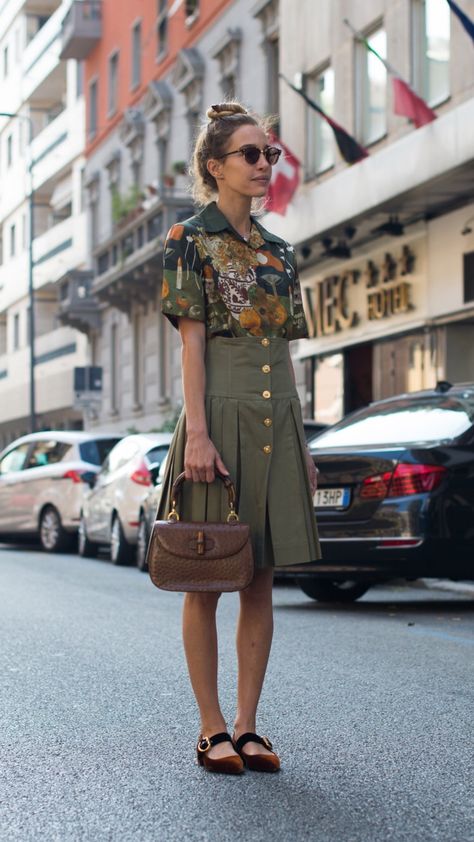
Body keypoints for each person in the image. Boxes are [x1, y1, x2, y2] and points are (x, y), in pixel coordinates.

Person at [157, 101, 321, 775]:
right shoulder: (186, 240)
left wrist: (302, 441)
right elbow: (192, 346)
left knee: (260, 578)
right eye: (250, 154)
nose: (264, 165)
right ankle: (211, 727)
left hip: (276, 417)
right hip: (218, 415)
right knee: (208, 574)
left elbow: (284, 354)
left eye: (270, 155)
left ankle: (249, 727)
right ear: (213, 165)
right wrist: (198, 434)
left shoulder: (279, 251)